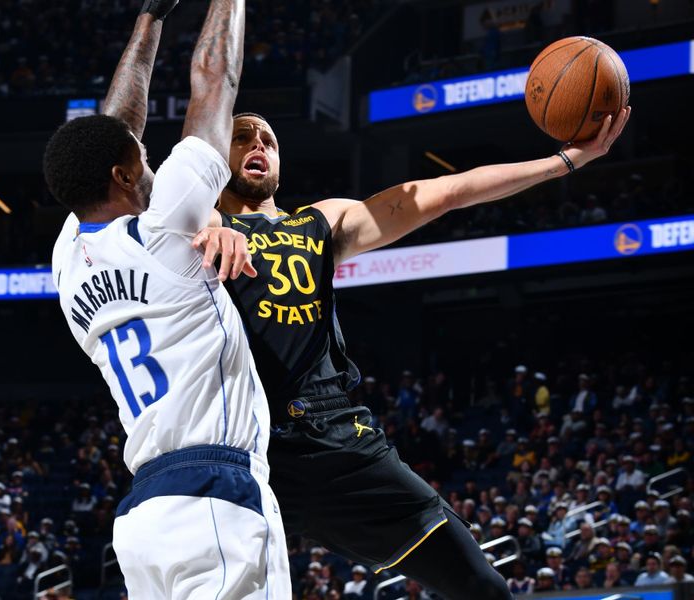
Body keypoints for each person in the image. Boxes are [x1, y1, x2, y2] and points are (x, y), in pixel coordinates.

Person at [200, 104, 631, 598]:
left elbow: (447, 191)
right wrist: (203, 220)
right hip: (239, 447)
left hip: (336, 440)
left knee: (483, 587)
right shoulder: (194, 226)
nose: (258, 143)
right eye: (242, 137)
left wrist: (566, 161)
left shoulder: (320, 223)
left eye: (268, 139)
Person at [44, 0, 289, 597]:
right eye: (144, 162)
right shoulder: (164, 230)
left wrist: (150, 16)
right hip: (214, 493)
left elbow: (113, 131)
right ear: (126, 178)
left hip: (144, 515)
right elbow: (216, 82)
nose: (152, 166)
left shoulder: (67, 259)